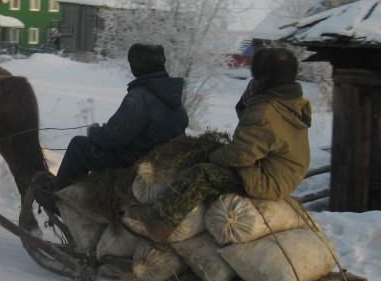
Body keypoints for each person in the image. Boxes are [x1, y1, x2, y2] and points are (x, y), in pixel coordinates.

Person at [122, 47, 311, 242]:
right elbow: (254, 136)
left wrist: (211, 156)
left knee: (201, 174)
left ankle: (157, 226)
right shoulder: (291, 103)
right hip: (282, 173)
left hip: (267, 179)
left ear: (263, 79)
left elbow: (241, 155)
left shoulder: (265, 111)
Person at [35, 43, 189, 214]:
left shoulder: (140, 96)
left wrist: (94, 131)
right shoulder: (172, 95)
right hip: (157, 159)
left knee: (78, 146)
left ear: (138, 66)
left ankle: (58, 200)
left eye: (132, 62)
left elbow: (113, 137)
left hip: (133, 161)